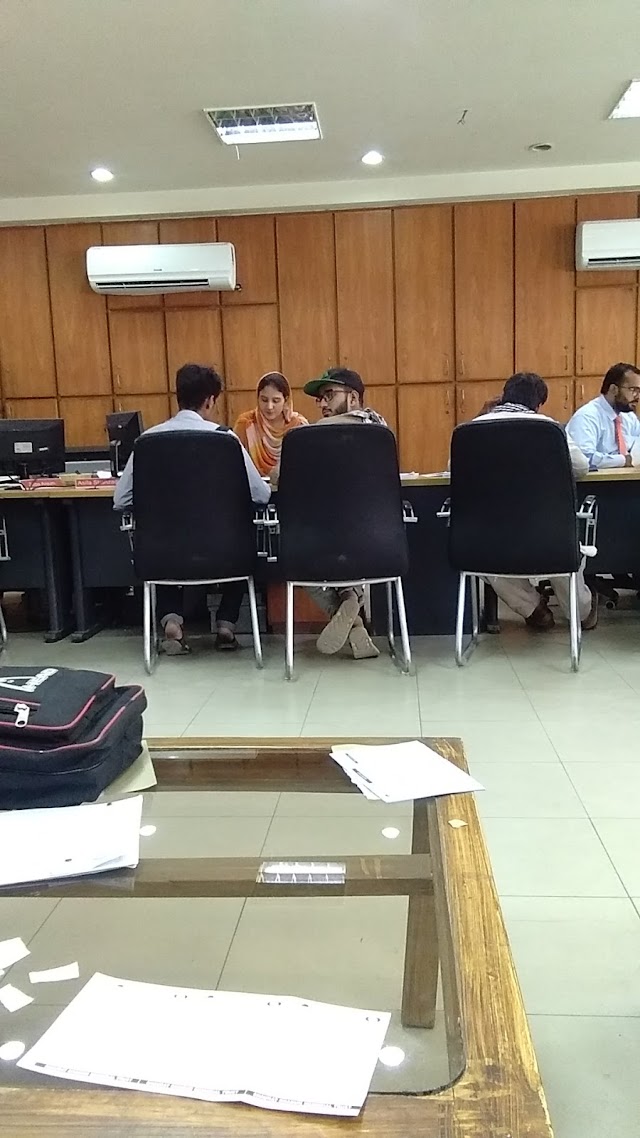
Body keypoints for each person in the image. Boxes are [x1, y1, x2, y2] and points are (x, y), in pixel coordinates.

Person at [114, 363, 270, 655]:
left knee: (165, 535)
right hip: (227, 555)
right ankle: (226, 624)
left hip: (162, 556)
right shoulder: (226, 440)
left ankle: (172, 622)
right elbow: (261, 495)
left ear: (179, 397)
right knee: (243, 536)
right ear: (210, 400)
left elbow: (120, 499)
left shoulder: (147, 442)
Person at [476, 372, 597, 632]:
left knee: (484, 559)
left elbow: (456, 468)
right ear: (539, 403)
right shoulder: (549, 429)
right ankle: (581, 613)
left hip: (491, 534)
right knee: (562, 552)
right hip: (547, 532)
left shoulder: (473, 429)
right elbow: (580, 467)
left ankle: (533, 609)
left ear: (503, 396)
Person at [298, 368, 388, 661]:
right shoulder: (382, 432)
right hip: (380, 542)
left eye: (329, 395)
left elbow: (279, 474)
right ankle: (353, 608)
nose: (323, 404)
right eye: (320, 398)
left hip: (325, 542)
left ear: (353, 398)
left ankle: (349, 603)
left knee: (295, 555)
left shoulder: (314, 436)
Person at [233, 372, 308, 481]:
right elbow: (235, 463)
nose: (269, 406)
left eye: (276, 401)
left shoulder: (298, 426)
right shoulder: (245, 424)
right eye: (264, 400)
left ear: (286, 400)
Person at [566, 362, 640, 469]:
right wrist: (624, 460)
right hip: (597, 479)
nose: (637, 397)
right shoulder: (587, 416)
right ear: (613, 389)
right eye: (633, 390)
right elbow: (585, 459)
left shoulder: (629, 417)